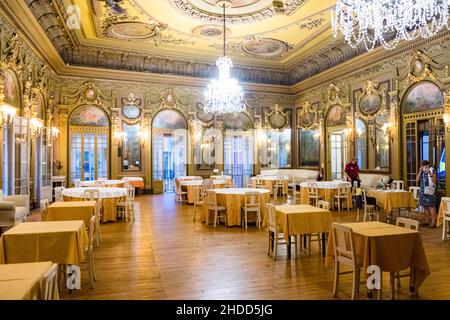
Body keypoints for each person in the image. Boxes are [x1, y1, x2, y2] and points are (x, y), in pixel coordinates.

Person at [416, 160, 437, 228]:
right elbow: (417, 180)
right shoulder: (422, 172)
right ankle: (427, 220)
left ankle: (433, 222)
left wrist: (430, 173)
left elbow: (434, 181)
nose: (423, 167)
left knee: (431, 206)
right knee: (425, 206)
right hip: (423, 191)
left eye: (424, 166)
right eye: (422, 166)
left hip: (430, 191)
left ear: (428, 165)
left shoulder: (432, 170)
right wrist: (420, 171)